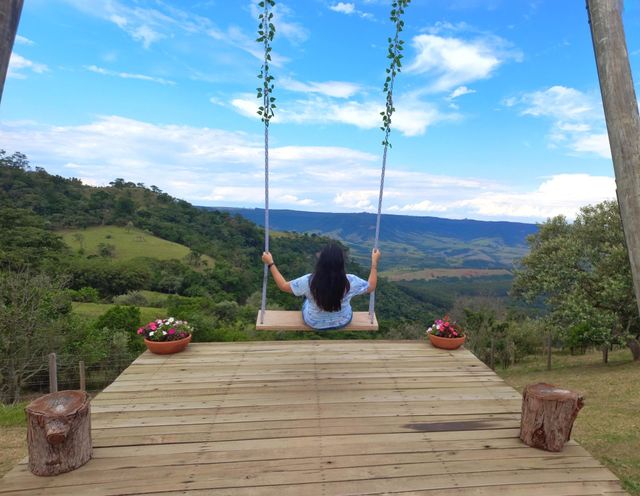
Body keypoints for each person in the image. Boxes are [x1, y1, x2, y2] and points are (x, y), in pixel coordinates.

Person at [261, 243, 381, 330]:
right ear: (341, 263)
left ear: (321, 262)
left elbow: (283, 286)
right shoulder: (350, 281)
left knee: (307, 300)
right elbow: (371, 286)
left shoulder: (309, 281)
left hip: (314, 322)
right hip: (343, 321)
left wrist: (270, 263)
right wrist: (374, 263)